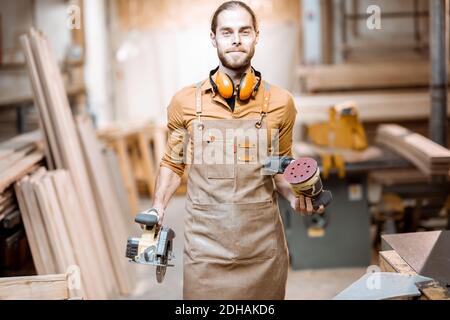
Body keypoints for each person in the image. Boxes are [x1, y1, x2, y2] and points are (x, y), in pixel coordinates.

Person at [150, 1, 324, 299]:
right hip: (204, 252)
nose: (236, 39)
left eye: (244, 31)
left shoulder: (282, 103)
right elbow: (173, 163)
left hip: (262, 251)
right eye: (227, 31)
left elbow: (279, 169)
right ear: (213, 38)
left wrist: (296, 199)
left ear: (257, 36)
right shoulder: (185, 102)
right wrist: (158, 207)